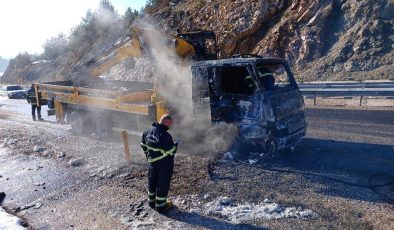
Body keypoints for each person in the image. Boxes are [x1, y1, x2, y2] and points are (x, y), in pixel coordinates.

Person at [141, 114, 179, 212]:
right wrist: (175, 145)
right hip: (164, 164)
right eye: (170, 124)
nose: (170, 126)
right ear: (166, 122)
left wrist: (148, 156)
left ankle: (151, 202)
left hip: (152, 163)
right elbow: (171, 151)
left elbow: (143, 145)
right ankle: (161, 206)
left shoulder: (147, 131)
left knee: (152, 181)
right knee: (163, 184)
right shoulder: (164, 135)